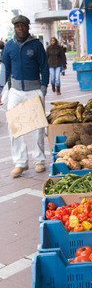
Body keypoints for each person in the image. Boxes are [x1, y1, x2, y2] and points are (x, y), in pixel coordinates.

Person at [0, 15, 49, 178]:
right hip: (15, 90)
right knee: (14, 125)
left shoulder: (36, 45)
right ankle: (20, 162)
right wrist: (1, 89)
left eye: (23, 25)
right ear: (14, 28)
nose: (20, 28)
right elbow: (5, 69)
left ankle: (39, 160)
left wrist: (43, 89)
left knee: (38, 126)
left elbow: (44, 67)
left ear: (28, 27)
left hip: (34, 89)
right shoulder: (9, 46)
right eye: (17, 26)